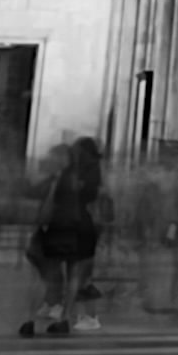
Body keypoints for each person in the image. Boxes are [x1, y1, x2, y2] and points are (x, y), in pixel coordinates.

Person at [20, 135, 109, 337]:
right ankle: (64, 319)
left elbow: (40, 195)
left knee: (47, 275)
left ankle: (30, 319)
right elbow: (95, 201)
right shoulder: (90, 176)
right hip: (81, 227)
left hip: (58, 227)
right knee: (74, 275)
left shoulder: (61, 176)